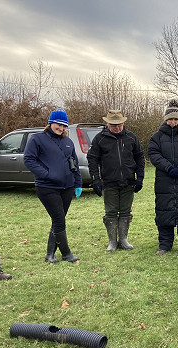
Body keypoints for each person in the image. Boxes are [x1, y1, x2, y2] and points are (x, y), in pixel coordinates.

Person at [24, 108, 81, 263]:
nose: (61, 129)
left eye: (64, 126)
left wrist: (78, 183)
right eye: (58, 125)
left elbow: (74, 162)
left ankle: (50, 255)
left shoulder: (68, 142)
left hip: (67, 187)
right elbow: (29, 159)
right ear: (50, 123)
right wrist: (47, 174)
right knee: (59, 219)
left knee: (58, 220)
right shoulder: (37, 139)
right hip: (47, 187)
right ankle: (66, 253)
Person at [87, 110, 145, 252]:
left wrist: (140, 178)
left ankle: (123, 239)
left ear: (123, 123)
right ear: (107, 124)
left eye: (119, 125)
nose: (117, 127)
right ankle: (112, 241)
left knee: (125, 211)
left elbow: (140, 157)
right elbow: (92, 159)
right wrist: (95, 180)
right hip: (109, 182)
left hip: (128, 181)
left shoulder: (131, 137)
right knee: (111, 212)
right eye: (113, 125)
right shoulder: (100, 139)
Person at [147, 100, 178, 256]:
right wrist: (168, 167)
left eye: (176, 119)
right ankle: (165, 244)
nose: (173, 122)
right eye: (170, 119)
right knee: (164, 211)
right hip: (165, 179)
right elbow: (153, 154)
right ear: (165, 119)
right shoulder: (157, 137)